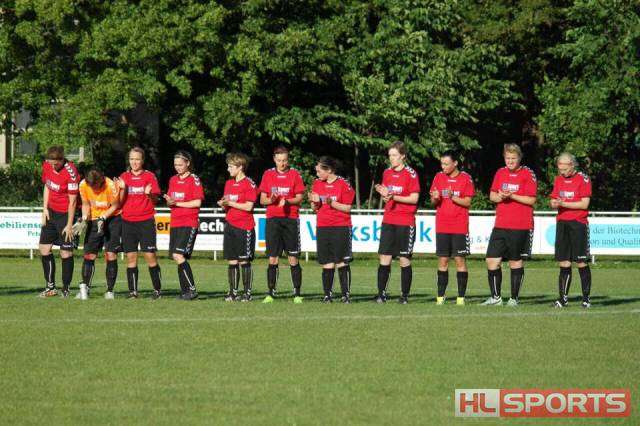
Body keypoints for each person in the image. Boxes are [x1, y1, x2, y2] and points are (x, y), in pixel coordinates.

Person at [483, 144, 537, 306]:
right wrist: (501, 196)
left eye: (513, 158)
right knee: (491, 260)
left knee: (515, 261)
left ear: (519, 158)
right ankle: (496, 298)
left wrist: (512, 196)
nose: (510, 161)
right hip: (500, 224)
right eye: (507, 158)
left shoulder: (528, 173)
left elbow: (532, 199)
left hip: (520, 225)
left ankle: (514, 299)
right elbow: (492, 196)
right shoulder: (500, 172)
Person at [374, 141, 420, 304]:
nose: (391, 158)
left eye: (394, 155)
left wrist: (394, 196)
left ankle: (404, 296)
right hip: (389, 219)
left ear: (403, 156)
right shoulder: (387, 172)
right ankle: (381, 295)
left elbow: (414, 198)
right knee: (384, 257)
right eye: (390, 155)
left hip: (405, 221)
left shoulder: (411, 174)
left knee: (404, 258)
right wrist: (384, 194)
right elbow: (387, 196)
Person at [258, 146, 305, 303]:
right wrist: (271, 200)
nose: (282, 163)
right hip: (273, 220)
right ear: (274, 159)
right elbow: (262, 200)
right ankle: (271, 293)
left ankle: (297, 294)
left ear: (288, 159)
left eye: (284, 160)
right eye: (279, 160)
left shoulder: (295, 174)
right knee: (273, 258)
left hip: (290, 219)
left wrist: (288, 201)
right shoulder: (268, 174)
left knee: (293, 257)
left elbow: (300, 197)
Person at [429, 151, 474, 305]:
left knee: (460, 260)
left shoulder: (466, 178)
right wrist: (435, 198)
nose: (443, 167)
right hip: (442, 225)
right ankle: (440, 297)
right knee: (443, 261)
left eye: (446, 164)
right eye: (442, 163)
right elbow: (433, 201)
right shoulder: (438, 177)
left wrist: (452, 196)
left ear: (455, 163)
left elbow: (468, 202)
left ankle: (460, 298)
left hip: (459, 226)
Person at [117, 147, 162, 299]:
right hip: (127, 222)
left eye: (137, 159)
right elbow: (118, 202)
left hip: (146, 221)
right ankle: (133, 292)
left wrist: (149, 194)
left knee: (150, 256)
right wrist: (121, 190)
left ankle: (157, 290)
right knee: (131, 257)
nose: (134, 162)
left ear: (142, 160)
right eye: (132, 159)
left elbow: (155, 201)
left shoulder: (149, 176)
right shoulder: (123, 177)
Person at [309, 156, 355, 303]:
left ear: (328, 170)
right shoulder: (317, 183)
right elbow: (314, 208)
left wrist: (331, 203)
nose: (317, 174)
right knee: (327, 261)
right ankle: (327, 295)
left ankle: (345, 295)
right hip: (323, 226)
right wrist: (314, 203)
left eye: (319, 171)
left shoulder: (343, 184)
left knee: (341, 261)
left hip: (340, 226)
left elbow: (347, 208)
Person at [550, 152, 592, 308]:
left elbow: (584, 204)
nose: (562, 171)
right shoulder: (558, 179)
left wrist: (564, 204)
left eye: (564, 168)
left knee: (581, 261)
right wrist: (554, 203)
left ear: (572, 165)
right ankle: (562, 299)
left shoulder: (583, 179)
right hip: (562, 223)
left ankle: (586, 299)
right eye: (559, 168)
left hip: (578, 224)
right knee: (564, 262)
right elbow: (553, 200)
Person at [38, 145, 80, 298]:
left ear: (62, 160)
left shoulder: (71, 173)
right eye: (51, 163)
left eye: (56, 164)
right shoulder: (47, 165)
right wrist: (45, 208)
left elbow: (73, 202)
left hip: (66, 214)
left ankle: (66, 289)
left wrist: (69, 225)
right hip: (51, 212)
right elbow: (47, 186)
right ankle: (50, 288)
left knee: (65, 252)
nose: (53, 166)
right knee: (44, 248)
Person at [76, 169, 122, 300]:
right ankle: (85, 288)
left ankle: (110, 291)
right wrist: (84, 218)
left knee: (111, 254)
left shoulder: (110, 185)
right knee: (89, 254)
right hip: (94, 219)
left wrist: (103, 217)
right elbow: (85, 204)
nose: (93, 189)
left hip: (112, 218)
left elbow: (115, 205)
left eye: (95, 186)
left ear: (101, 181)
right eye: (91, 186)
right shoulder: (83, 184)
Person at [164, 151, 204, 301]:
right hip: (175, 222)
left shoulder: (194, 179)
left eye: (180, 164)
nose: (178, 167)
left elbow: (197, 202)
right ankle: (185, 291)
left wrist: (177, 203)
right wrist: (169, 202)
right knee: (177, 257)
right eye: (175, 165)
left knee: (178, 255)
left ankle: (191, 290)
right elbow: (171, 202)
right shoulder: (173, 179)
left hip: (189, 222)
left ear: (188, 163)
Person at [218, 153, 257, 302]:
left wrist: (230, 203)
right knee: (232, 260)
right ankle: (233, 293)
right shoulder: (229, 183)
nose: (228, 169)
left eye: (231, 166)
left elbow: (248, 206)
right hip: (230, 225)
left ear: (240, 167)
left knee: (244, 260)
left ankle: (247, 293)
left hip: (244, 226)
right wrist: (223, 204)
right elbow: (227, 204)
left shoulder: (249, 183)